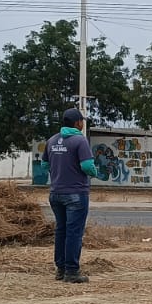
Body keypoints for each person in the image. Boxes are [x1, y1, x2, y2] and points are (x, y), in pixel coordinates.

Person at [45, 108, 105, 283]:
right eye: (82, 121)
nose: (83, 123)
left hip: (55, 193)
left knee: (61, 231)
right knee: (74, 232)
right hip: (76, 194)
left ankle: (61, 269)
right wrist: (95, 173)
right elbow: (87, 166)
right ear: (78, 122)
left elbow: (44, 165)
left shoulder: (52, 140)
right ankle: (72, 271)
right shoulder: (80, 140)